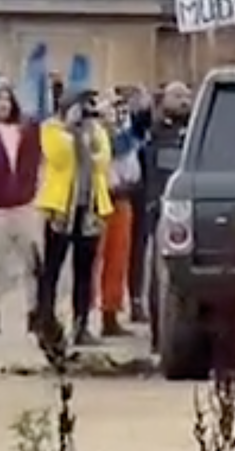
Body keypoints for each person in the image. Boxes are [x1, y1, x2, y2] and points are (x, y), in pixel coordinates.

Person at [35, 88, 114, 346]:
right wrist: (74, 131)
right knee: (52, 269)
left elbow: (103, 160)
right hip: (61, 209)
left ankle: (81, 325)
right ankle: (45, 320)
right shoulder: (51, 128)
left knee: (84, 271)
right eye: (81, 105)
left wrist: (87, 131)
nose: (86, 111)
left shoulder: (96, 130)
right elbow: (60, 157)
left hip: (89, 208)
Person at [0, 83, 43, 334]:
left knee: (32, 262)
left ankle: (34, 311)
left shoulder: (27, 130)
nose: (2, 104)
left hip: (24, 205)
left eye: (6, 99)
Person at [130, 81, 192, 322]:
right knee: (158, 271)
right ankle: (156, 325)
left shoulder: (194, 133)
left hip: (185, 211)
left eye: (187, 96)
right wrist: (142, 108)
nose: (184, 100)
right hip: (157, 207)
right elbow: (136, 128)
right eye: (177, 95)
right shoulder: (153, 130)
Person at [96, 92, 142, 336]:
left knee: (118, 260)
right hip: (101, 199)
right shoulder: (97, 135)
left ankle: (110, 312)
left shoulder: (128, 136)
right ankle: (84, 316)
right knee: (96, 261)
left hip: (123, 198)